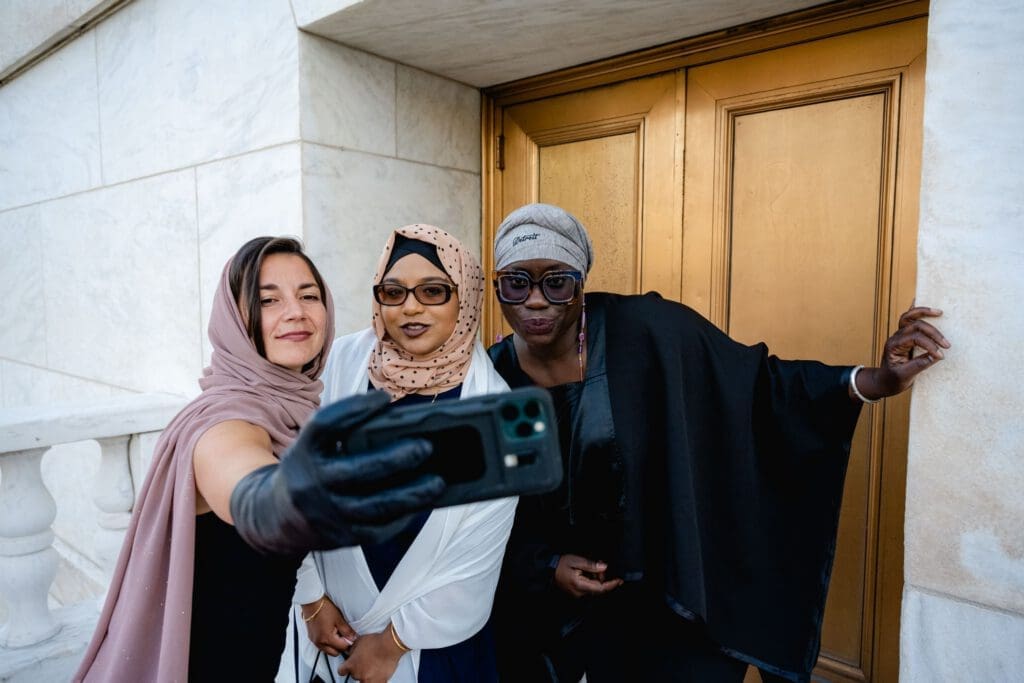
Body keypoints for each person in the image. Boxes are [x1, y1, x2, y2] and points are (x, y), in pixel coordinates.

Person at [486, 203, 951, 683]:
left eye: (556, 281)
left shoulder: (649, 332)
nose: (536, 300)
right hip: (556, 615)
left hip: (670, 594)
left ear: (581, 283)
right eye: (516, 282)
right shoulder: (489, 379)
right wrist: (548, 566)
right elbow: (476, 514)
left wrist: (876, 380)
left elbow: (760, 388)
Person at [75, 237, 444, 682]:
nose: (295, 312)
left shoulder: (292, 408)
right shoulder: (225, 422)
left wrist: (312, 602)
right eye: (268, 300)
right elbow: (251, 490)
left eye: (309, 296)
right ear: (235, 319)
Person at [292, 225, 517, 683]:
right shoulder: (343, 364)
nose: (411, 307)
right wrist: (311, 596)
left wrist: (392, 643)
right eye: (393, 292)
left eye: (433, 291)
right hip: (330, 628)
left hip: (432, 648)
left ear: (466, 296)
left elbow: (477, 557)